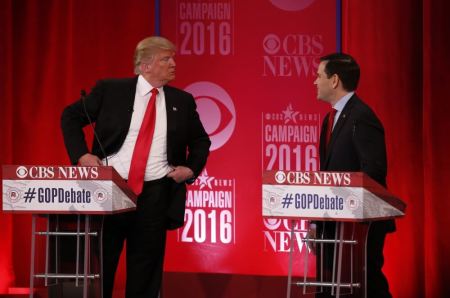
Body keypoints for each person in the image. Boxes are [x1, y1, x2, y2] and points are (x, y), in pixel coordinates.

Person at [61, 36, 211, 298]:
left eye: (173, 58)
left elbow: (200, 140)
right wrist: (81, 155)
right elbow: (70, 117)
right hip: (110, 190)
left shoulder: (182, 101)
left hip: (155, 193)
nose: (174, 64)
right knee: (100, 268)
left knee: (145, 271)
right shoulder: (111, 91)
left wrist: (190, 168)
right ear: (145, 65)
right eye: (166, 59)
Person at [310, 53, 395, 297]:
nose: (315, 82)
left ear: (334, 80)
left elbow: (374, 172)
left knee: (367, 286)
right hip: (334, 225)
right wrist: (317, 221)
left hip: (359, 227)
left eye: (318, 76)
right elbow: (326, 177)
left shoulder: (362, 117)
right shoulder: (330, 119)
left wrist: (349, 208)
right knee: (330, 287)